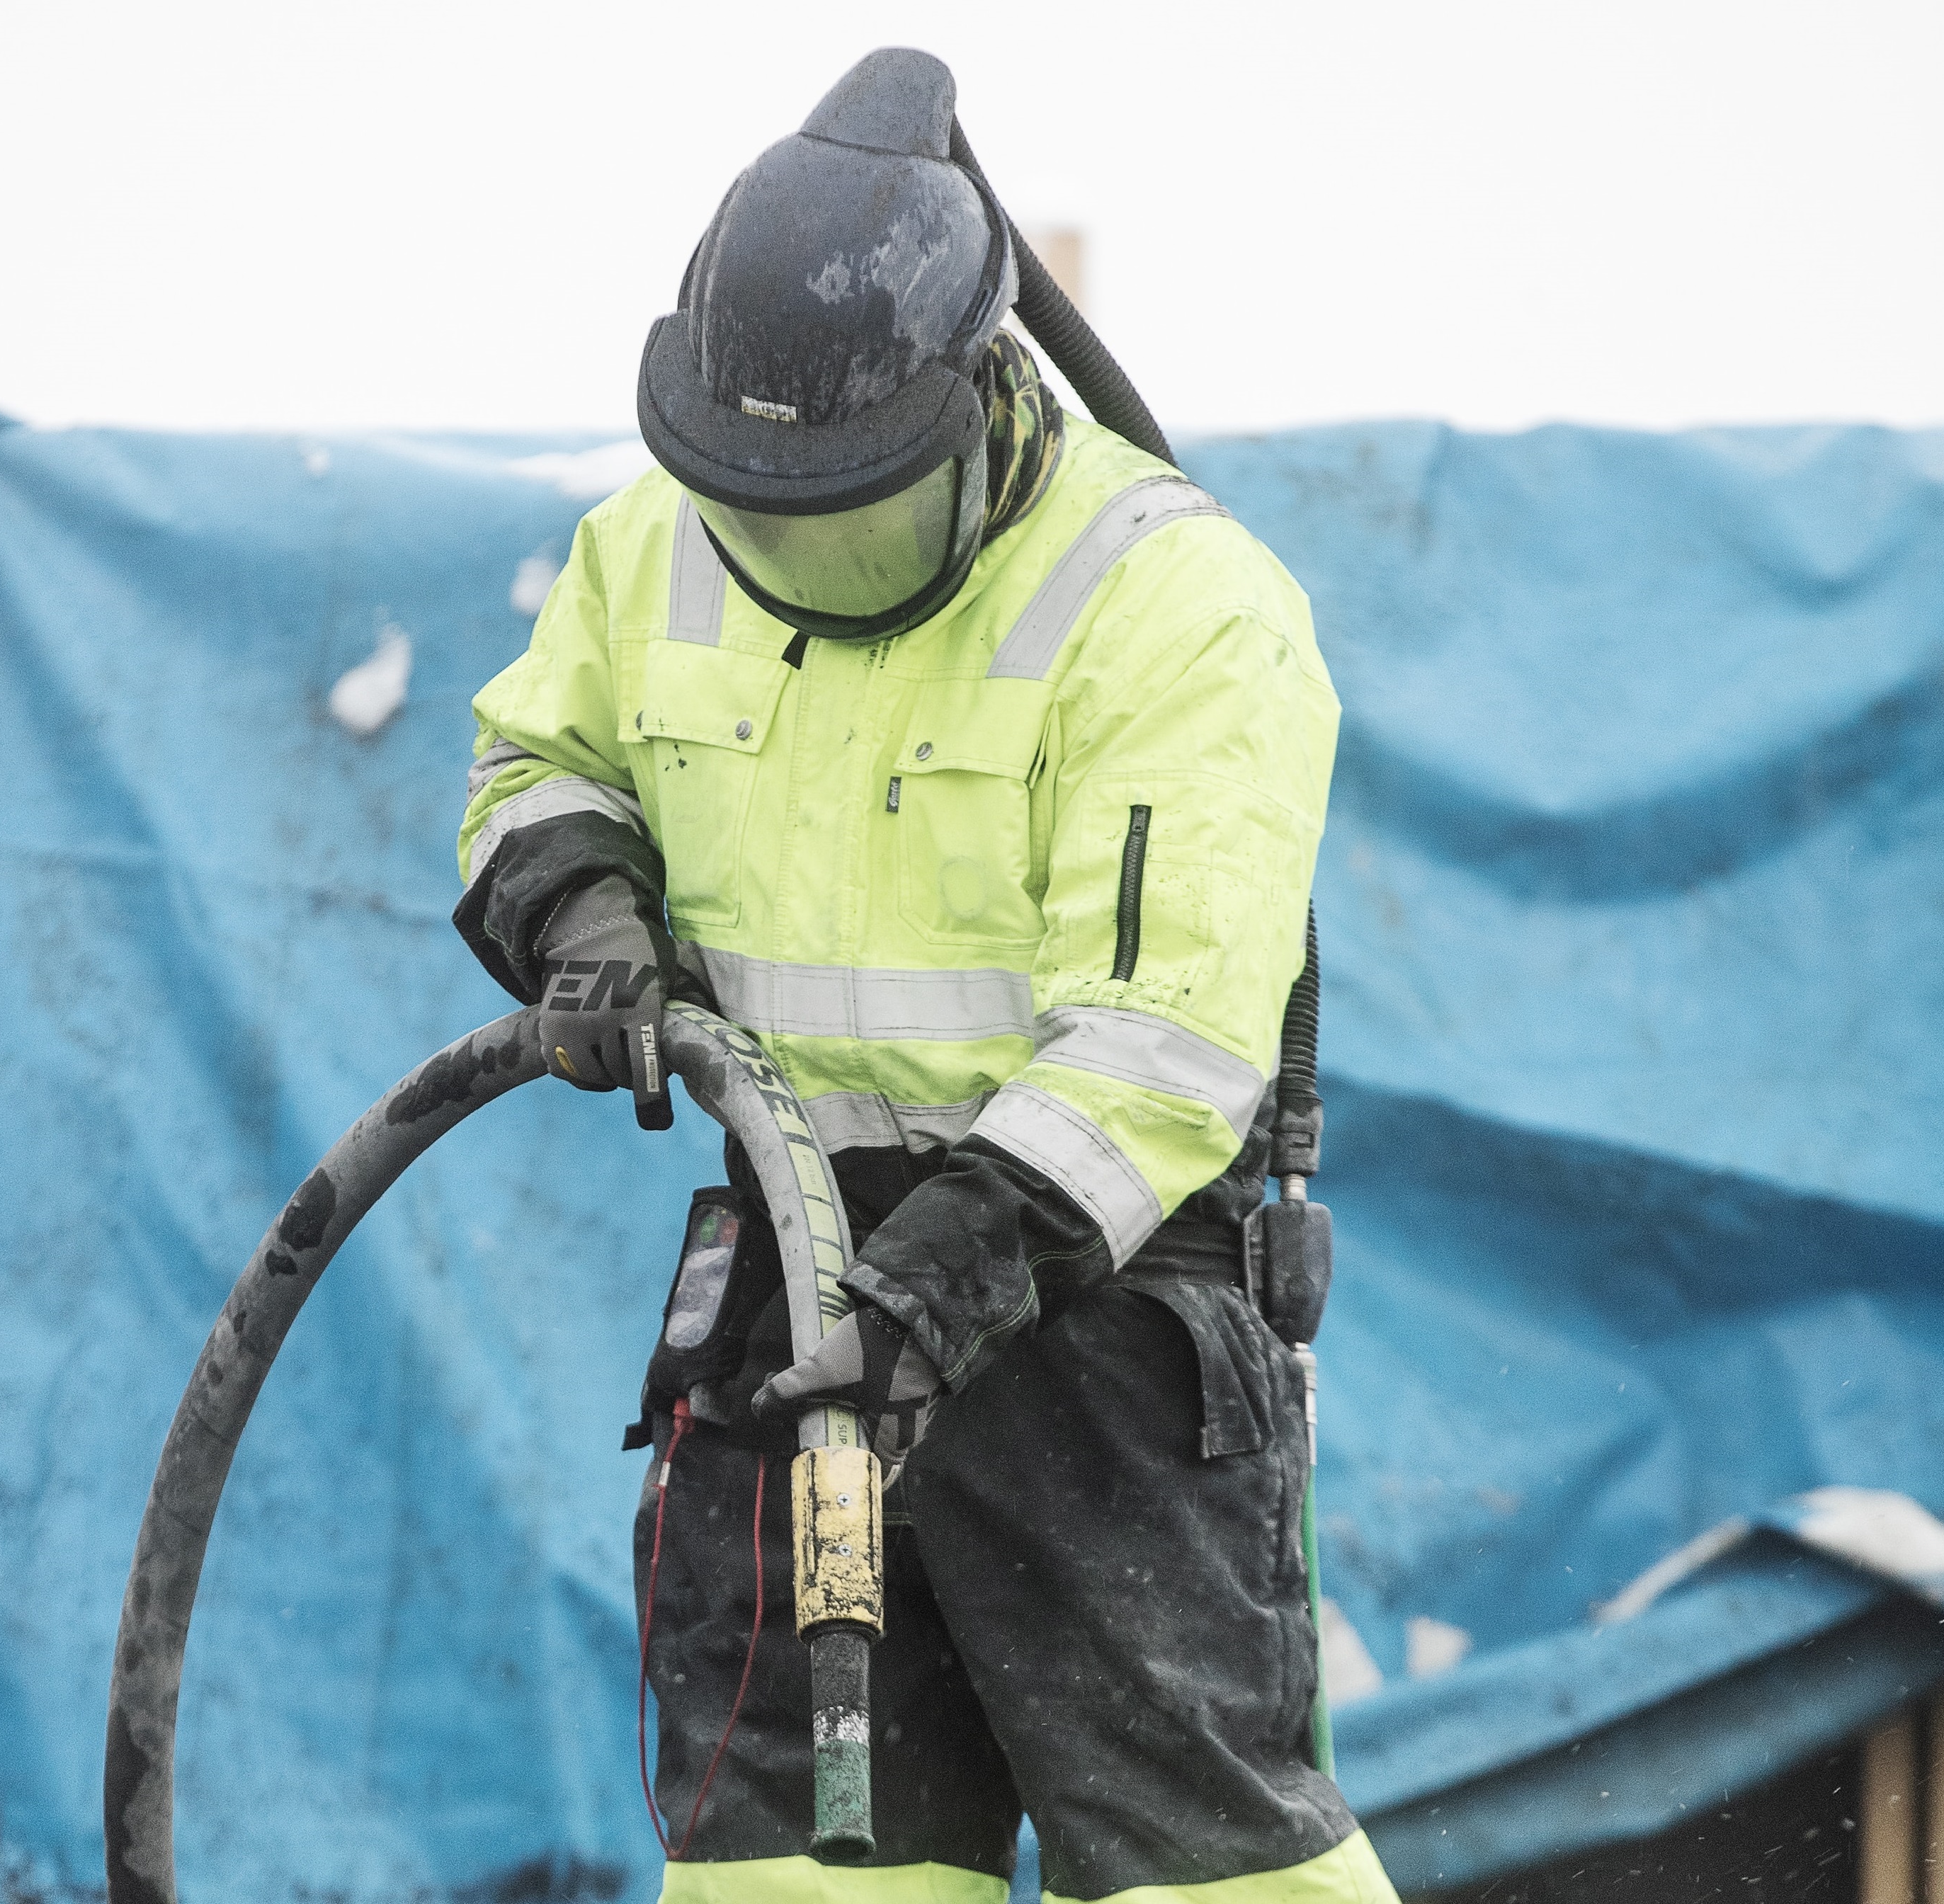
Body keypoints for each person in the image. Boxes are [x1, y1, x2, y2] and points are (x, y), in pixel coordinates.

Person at [453, 45, 1399, 1904]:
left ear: (978, 402)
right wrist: (589, 925)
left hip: (1091, 1308)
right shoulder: (660, 540)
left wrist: (934, 1286)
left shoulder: (1175, 606)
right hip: (794, 1283)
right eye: (752, 502)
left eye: (850, 504)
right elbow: (536, 767)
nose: (789, 551)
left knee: (1213, 1883)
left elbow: (1165, 1032)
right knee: (805, 1871)